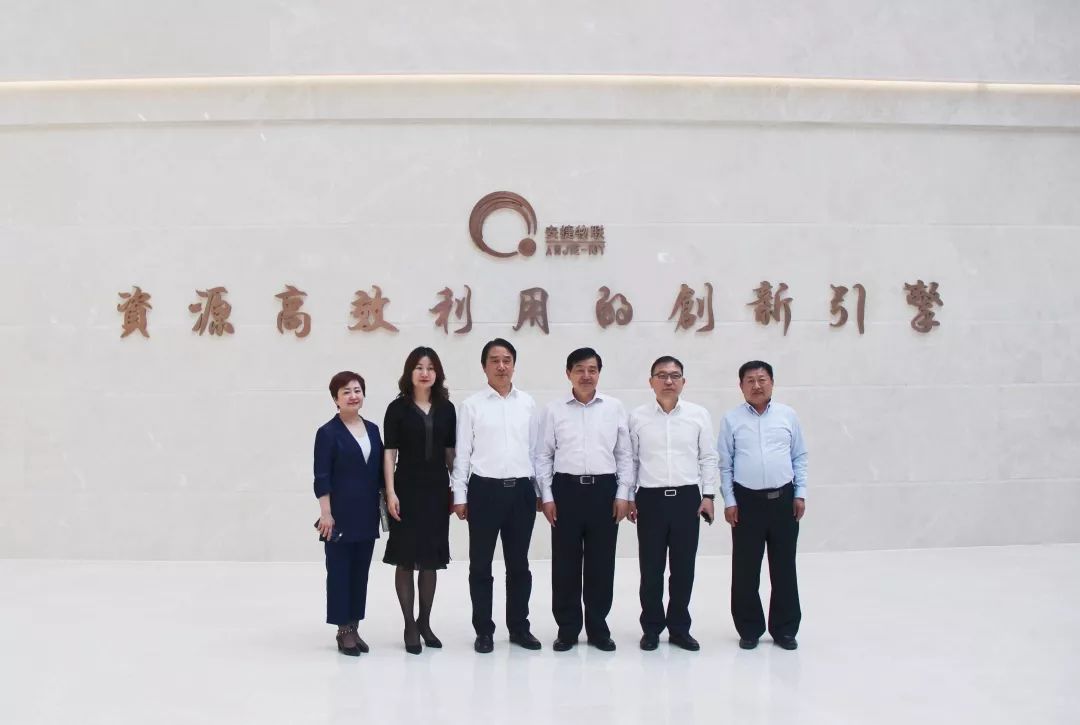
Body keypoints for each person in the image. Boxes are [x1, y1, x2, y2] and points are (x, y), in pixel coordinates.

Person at [534, 347, 634, 652]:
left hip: (604, 491)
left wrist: (623, 493)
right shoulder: (554, 410)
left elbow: (624, 454)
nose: (586, 375)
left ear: (599, 373)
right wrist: (547, 496)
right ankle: (567, 629)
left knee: (601, 563)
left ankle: (598, 628)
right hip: (566, 491)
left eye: (592, 370)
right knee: (565, 563)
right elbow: (543, 455)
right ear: (568, 374)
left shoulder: (614, 408)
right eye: (579, 370)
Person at [451, 338, 541, 653]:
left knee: (519, 566)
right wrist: (459, 495)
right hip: (484, 492)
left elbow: (536, 452)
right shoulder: (472, 405)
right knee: (481, 566)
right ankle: (484, 631)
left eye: (507, 360)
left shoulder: (528, 403)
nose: (501, 366)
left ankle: (519, 627)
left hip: (521, 492)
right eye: (494, 360)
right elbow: (463, 454)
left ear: (514, 365)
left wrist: (540, 492)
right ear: (484, 366)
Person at [628, 356, 718, 652]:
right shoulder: (638, 417)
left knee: (683, 569)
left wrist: (708, 495)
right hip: (650, 500)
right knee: (651, 569)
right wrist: (629, 496)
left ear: (683, 381)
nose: (669, 381)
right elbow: (631, 460)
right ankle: (651, 628)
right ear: (651, 381)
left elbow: (708, 457)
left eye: (675, 375)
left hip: (687, 500)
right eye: (662, 375)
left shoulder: (698, 415)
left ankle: (680, 629)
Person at [718, 360, 807, 651]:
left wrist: (800, 494)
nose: (757, 386)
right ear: (741, 385)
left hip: (783, 501)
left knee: (784, 567)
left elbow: (799, 457)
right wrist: (730, 501)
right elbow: (725, 465)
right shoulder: (731, 419)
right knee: (745, 569)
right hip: (747, 503)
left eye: (762, 379)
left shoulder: (787, 415)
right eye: (750, 381)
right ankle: (749, 629)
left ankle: (785, 630)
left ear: (772, 382)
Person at [382, 347, 456, 655]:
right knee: (405, 558)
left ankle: (424, 621)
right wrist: (390, 492)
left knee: (430, 559)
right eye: (419, 367)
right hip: (406, 490)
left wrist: (459, 490)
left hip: (437, 490)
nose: (425, 373)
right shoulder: (397, 408)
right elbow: (389, 453)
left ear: (437, 373)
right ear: (409, 372)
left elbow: (451, 454)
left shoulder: (447, 408)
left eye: (430, 368)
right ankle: (409, 625)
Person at [313, 371, 384, 656]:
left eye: (357, 390)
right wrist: (326, 514)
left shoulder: (373, 430)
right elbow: (321, 476)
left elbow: (380, 472)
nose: (353, 396)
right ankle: (343, 630)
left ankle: (354, 626)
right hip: (339, 516)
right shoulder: (327, 433)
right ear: (335, 399)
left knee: (360, 572)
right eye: (346, 392)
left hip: (367, 513)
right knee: (339, 572)